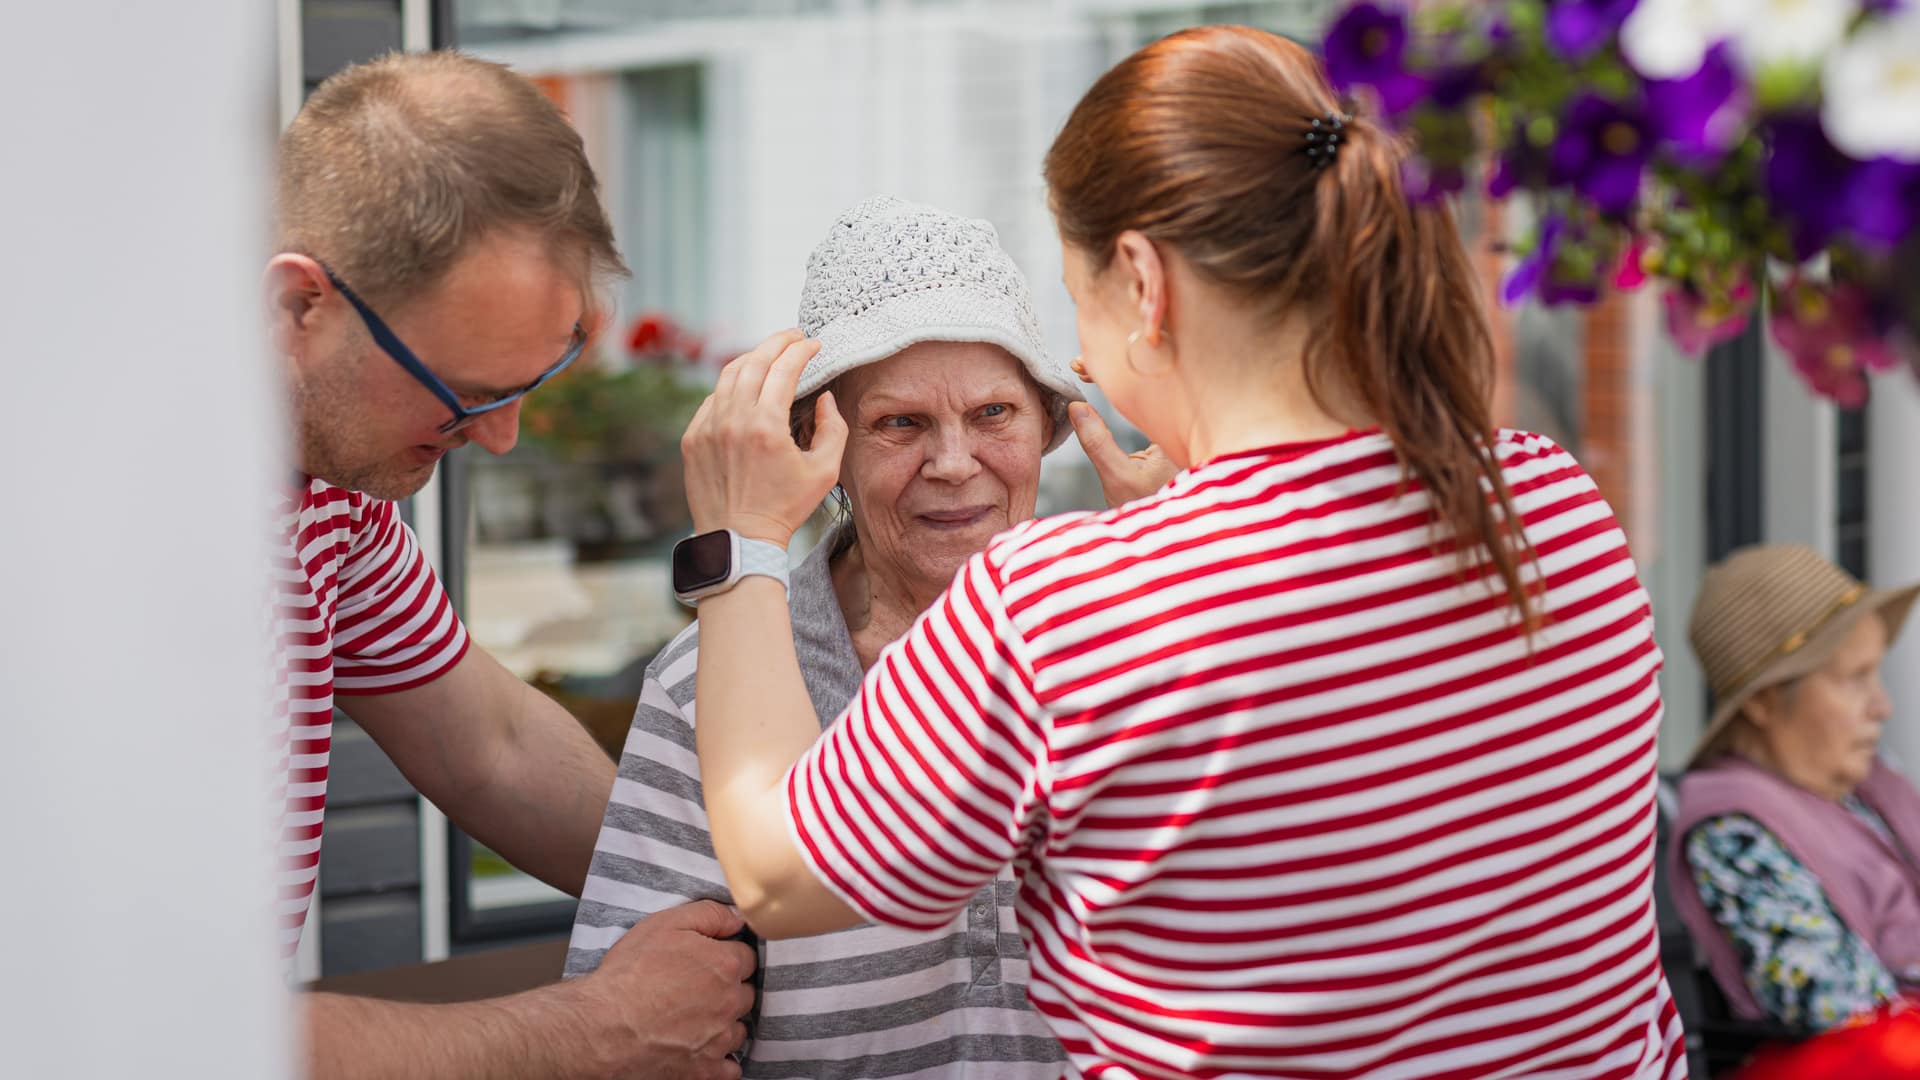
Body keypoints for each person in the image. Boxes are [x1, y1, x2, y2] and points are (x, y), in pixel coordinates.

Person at [672, 24, 1686, 1080]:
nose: (1083, 347)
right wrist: (1187, 540)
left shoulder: (1061, 611)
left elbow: (775, 872)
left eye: (1078, 296)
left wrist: (741, 541)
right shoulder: (1551, 505)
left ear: (1143, 285)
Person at [270, 51, 751, 1078]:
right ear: (300, 305)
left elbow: (491, 744)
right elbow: (167, 1027)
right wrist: (590, 1031)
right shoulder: (103, 550)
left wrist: (772, 895)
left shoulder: (330, 496)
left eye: (536, 378)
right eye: (467, 391)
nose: (501, 438)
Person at [567, 196, 1080, 1076]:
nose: (954, 462)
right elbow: (638, 1043)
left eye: (994, 413)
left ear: (1047, 426)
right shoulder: (707, 683)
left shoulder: (1130, 642)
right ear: (821, 446)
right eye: (900, 423)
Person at [1668, 544, 1920, 1032]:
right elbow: (1844, 1014)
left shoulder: (1871, 784)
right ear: (1763, 703)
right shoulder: (1734, 832)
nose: (1882, 706)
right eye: (1855, 679)